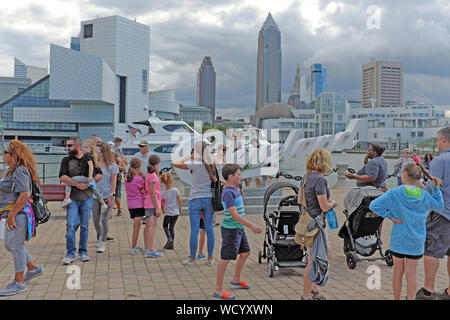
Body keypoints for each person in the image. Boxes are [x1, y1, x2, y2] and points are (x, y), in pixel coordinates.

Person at [369, 163, 444, 300]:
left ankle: (396, 298)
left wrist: (390, 216)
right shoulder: (424, 195)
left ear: (404, 175)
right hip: (416, 241)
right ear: (419, 178)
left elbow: (373, 205)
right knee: (411, 273)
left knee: (398, 271)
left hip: (399, 239)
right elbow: (439, 205)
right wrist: (436, 188)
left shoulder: (394, 193)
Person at [0, 141, 44, 296]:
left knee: (16, 246)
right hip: (13, 213)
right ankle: (33, 268)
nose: (3, 154)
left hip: (19, 214)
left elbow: (25, 195)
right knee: (10, 245)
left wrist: (11, 215)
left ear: (14, 155)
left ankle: (19, 282)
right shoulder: (12, 171)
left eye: (6, 152)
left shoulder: (20, 171)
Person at [213, 164, 262, 300]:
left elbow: (225, 182)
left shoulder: (233, 188)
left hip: (238, 228)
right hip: (231, 230)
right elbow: (234, 214)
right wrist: (251, 226)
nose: (241, 176)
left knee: (245, 253)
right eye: (239, 174)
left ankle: (236, 278)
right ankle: (218, 289)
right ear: (231, 177)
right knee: (225, 258)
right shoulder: (228, 192)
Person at [297, 148, 337, 300]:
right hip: (317, 224)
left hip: (308, 222)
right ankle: (306, 295)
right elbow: (325, 206)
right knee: (314, 260)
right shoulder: (319, 180)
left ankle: (314, 290)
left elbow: (300, 201)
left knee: (325, 255)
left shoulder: (306, 177)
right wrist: (333, 203)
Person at [416, 126, 450, 300]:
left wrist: (420, 188)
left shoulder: (440, 160)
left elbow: (432, 188)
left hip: (442, 213)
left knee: (432, 251)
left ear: (444, 139)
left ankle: (427, 291)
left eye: (437, 140)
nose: (437, 144)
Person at [59, 137, 103, 264]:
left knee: (84, 226)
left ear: (77, 146)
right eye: (67, 146)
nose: (67, 148)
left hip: (87, 197)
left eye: (70, 146)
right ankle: (70, 253)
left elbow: (99, 174)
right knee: (71, 225)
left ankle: (83, 251)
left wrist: (88, 184)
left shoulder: (90, 159)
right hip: (72, 198)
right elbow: (62, 176)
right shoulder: (66, 160)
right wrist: (76, 184)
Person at [172, 141, 217, 267]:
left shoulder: (195, 164)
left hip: (195, 199)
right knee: (209, 229)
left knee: (194, 230)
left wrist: (190, 156)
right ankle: (210, 258)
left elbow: (176, 163)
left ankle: (192, 259)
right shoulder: (212, 162)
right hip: (209, 199)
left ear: (196, 151)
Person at [60, 139, 108, 214]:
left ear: (91, 149)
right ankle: (103, 204)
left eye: (86, 147)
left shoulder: (86, 156)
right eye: (83, 147)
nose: (84, 149)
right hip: (89, 180)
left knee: (68, 181)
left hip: (85, 177)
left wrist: (89, 177)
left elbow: (90, 165)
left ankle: (67, 198)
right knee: (95, 190)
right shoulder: (92, 156)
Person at [91, 142, 119, 253]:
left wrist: (112, 194)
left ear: (103, 152)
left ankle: (101, 242)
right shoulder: (93, 164)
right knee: (95, 220)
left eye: (98, 151)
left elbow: (113, 181)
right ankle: (100, 235)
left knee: (104, 219)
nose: (96, 153)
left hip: (108, 195)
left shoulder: (112, 165)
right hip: (95, 195)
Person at [142, 154, 163, 258]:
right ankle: (150, 248)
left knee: (148, 226)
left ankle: (147, 248)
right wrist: (157, 207)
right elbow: (153, 192)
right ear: (157, 164)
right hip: (152, 203)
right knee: (152, 226)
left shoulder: (148, 174)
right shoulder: (153, 176)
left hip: (148, 202)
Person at [124, 158, 146, 254]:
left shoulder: (127, 178)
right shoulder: (139, 179)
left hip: (131, 205)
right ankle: (133, 247)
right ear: (139, 167)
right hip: (139, 205)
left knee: (138, 224)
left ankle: (135, 244)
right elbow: (144, 189)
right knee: (136, 227)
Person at [160, 172, 182, 250]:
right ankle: (171, 245)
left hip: (168, 213)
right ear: (172, 181)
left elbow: (162, 203)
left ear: (163, 182)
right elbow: (179, 200)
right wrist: (180, 208)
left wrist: (162, 209)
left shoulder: (163, 193)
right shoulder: (175, 190)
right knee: (171, 228)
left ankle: (169, 238)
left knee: (165, 225)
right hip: (176, 213)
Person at [114, 151, 127, 216]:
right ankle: (110, 212)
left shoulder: (119, 161)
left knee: (117, 195)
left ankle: (119, 209)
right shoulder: (108, 162)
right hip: (110, 180)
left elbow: (124, 169)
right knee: (111, 196)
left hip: (118, 180)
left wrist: (118, 166)